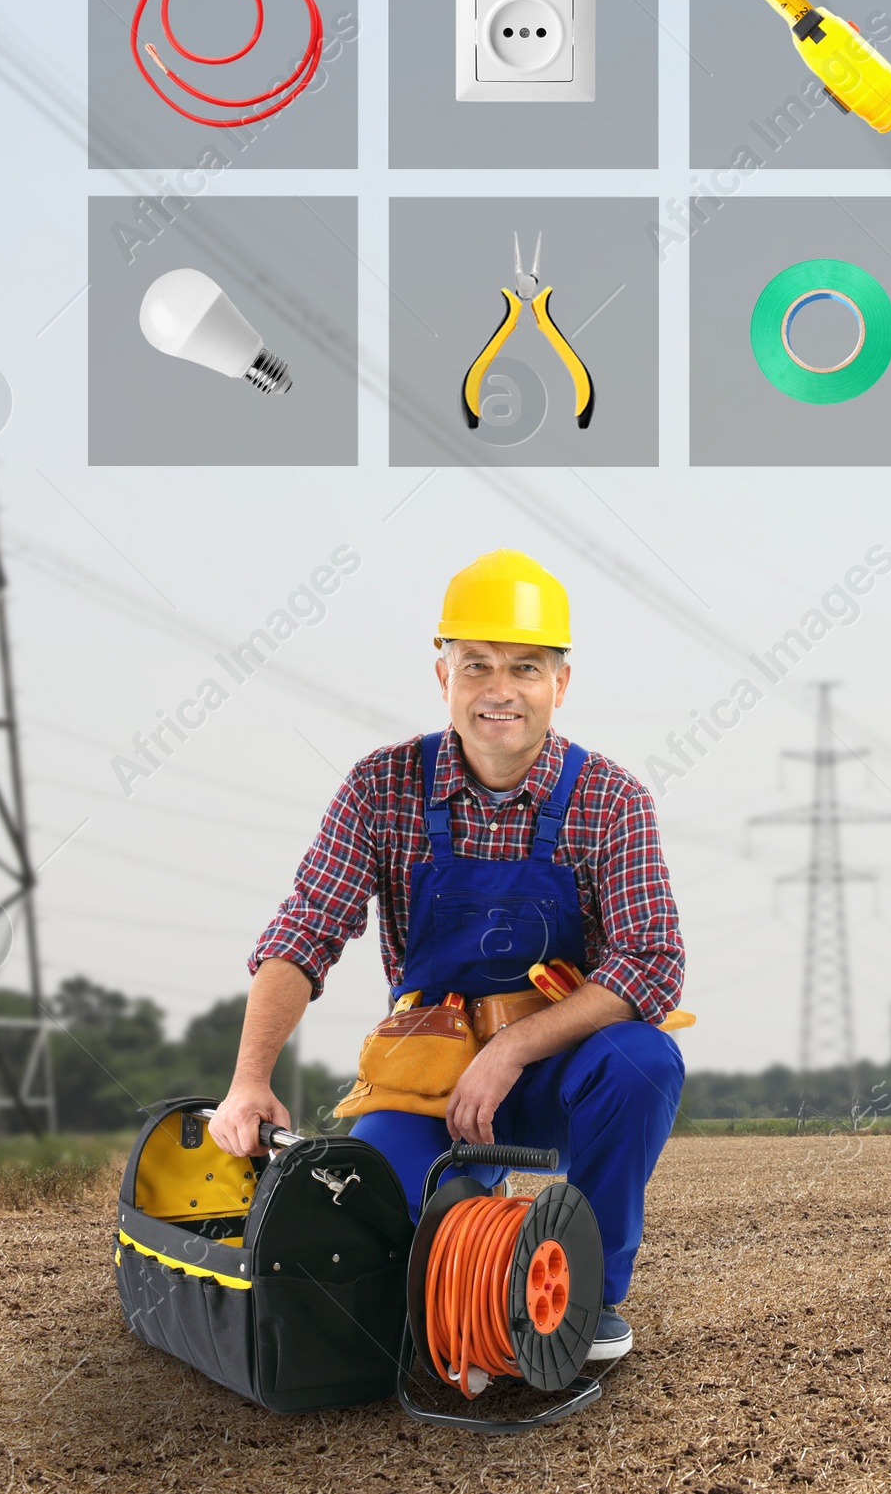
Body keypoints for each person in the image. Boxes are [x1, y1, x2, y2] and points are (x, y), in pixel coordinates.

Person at [208, 549, 686, 1361]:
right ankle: (457, 1245)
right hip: (429, 1076)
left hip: (560, 1078)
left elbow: (651, 958)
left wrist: (511, 1049)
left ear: (559, 684)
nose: (500, 689)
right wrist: (250, 1078)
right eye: (478, 665)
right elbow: (303, 934)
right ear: (444, 675)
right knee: (375, 1240)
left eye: (525, 667)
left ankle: (586, 1299)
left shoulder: (611, 799)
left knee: (645, 1058)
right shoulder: (380, 787)